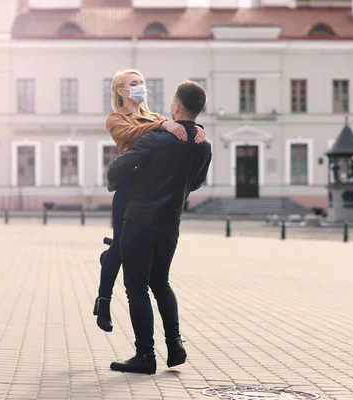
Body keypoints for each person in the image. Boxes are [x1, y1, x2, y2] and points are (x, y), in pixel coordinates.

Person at [106, 80, 212, 374]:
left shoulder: (155, 139)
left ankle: (145, 356)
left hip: (139, 221)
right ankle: (175, 344)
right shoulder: (203, 143)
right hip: (170, 223)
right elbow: (198, 181)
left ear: (176, 107)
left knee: (136, 288)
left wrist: (122, 184)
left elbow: (118, 168)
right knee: (161, 282)